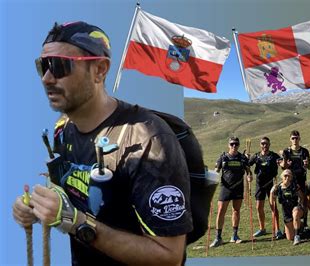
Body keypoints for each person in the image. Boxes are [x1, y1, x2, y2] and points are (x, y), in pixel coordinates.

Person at [12, 21, 191, 265]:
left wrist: (73, 222)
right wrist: (36, 207)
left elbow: (169, 257)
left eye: (59, 65)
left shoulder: (148, 140)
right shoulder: (61, 130)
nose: (46, 78)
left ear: (100, 70)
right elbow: (67, 191)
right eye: (42, 65)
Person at [210, 137, 252, 247]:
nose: (234, 146)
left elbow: (248, 171)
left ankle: (234, 236)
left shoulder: (242, 158)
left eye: (236, 144)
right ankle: (218, 237)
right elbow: (216, 171)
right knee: (220, 212)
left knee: (236, 211)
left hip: (238, 188)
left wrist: (249, 176)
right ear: (229, 145)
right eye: (232, 144)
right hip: (226, 188)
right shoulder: (223, 157)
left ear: (238, 145)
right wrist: (211, 178)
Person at [248, 137, 284, 239]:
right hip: (259, 184)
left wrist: (283, 158)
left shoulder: (273, 156)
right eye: (263, 144)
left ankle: (277, 230)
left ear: (269, 144)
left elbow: (282, 164)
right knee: (259, 207)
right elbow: (247, 164)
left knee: (273, 206)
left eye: (266, 144)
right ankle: (262, 229)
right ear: (260, 145)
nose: (264, 146)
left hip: (271, 184)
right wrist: (249, 173)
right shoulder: (256, 156)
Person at [280, 130, 310, 229]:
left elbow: (309, 166)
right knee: (289, 200)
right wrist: (286, 164)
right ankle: (291, 222)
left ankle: (304, 223)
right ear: (290, 139)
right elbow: (283, 167)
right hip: (289, 180)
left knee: (303, 201)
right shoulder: (286, 151)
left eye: (296, 138)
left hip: (301, 179)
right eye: (293, 138)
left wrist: (307, 164)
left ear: (299, 139)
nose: (295, 140)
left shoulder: (304, 151)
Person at [270, 170, 305, 245]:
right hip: (286, 212)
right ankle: (300, 226)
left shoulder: (295, 185)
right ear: (282, 177)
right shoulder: (278, 188)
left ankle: (297, 235)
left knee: (295, 213)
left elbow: (301, 197)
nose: (287, 177)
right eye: (285, 175)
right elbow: (272, 201)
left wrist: (299, 205)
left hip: (296, 209)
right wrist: (271, 192)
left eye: (289, 175)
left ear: (291, 177)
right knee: (289, 238)